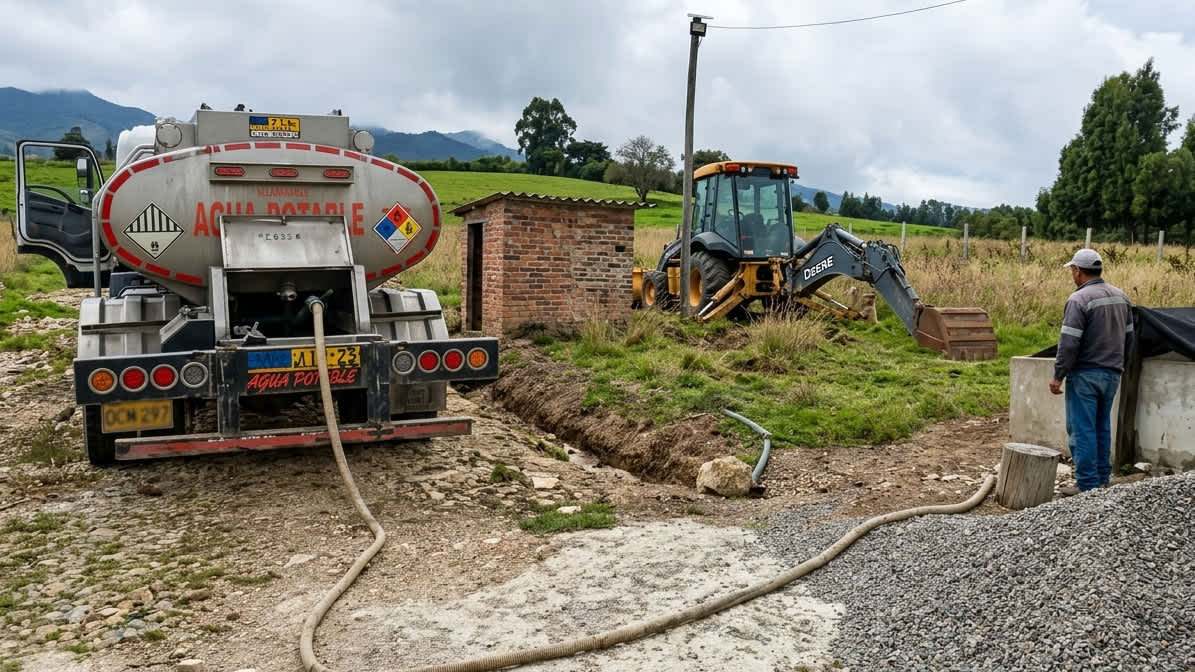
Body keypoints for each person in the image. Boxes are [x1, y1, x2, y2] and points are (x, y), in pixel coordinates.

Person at [1049, 248, 1133, 492]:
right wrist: (1121, 365)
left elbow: (1069, 343)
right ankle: (1102, 480)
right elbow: (1130, 337)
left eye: (1072, 271)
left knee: (1082, 430)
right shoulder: (1121, 296)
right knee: (1101, 426)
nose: (1072, 275)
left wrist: (1058, 375)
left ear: (1078, 271)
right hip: (1112, 373)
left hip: (1085, 375)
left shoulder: (1078, 300)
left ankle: (1087, 487)